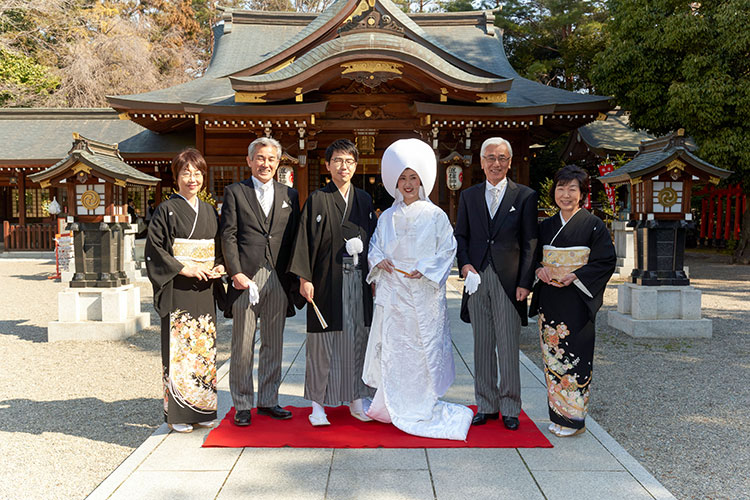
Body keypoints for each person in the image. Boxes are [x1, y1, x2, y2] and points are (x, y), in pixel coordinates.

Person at [362, 138, 473, 440]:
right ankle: (390, 403)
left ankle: (422, 404)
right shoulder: (387, 216)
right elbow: (374, 247)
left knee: (423, 351)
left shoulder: (435, 215)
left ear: (421, 180)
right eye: (403, 178)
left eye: (413, 177)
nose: (408, 184)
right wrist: (379, 260)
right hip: (395, 294)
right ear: (395, 182)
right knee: (396, 351)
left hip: (423, 294)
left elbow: (448, 249)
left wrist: (424, 269)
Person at [289, 139, 377, 426]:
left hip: (358, 280)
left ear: (356, 165)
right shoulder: (318, 198)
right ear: (327, 165)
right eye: (338, 160)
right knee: (322, 343)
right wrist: (305, 277)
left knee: (357, 340)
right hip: (327, 281)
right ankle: (318, 404)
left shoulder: (364, 199)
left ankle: (356, 399)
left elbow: (374, 240)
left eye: (350, 161)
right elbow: (305, 240)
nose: (344, 166)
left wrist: (375, 276)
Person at [454, 137, 538, 431]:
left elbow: (530, 242)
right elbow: (461, 236)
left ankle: (511, 405)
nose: (496, 163)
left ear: (510, 162)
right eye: (490, 157)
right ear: (481, 162)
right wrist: (464, 264)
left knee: (507, 344)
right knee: (482, 344)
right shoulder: (469, 196)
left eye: (502, 158)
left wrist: (526, 282)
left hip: (509, 280)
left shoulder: (524, 196)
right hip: (477, 277)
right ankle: (486, 404)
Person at [529, 165, 616, 437]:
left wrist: (576, 275)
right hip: (551, 302)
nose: (565, 194)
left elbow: (605, 261)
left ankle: (574, 419)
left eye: (572, 189)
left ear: (582, 194)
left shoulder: (593, 225)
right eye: (560, 188)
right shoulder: (546, 226)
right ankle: (559, 414)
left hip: (577, 302)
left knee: (576, 360)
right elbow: (532, 257)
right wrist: (538, 270)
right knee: (553, 361)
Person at [220, 137, 300, 426]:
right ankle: (242, 403)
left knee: (274, 343)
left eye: (271, 159)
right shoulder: (235, 192)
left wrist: (296, 277)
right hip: (246, 277)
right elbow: (227, 235)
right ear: (250, 161)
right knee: (242, 343)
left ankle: (268, 400)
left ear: (278, 163)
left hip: (278, 276)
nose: (265, 164)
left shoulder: (290, 195)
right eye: (260, 158)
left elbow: (293, 239)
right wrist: (235, 272)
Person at [145, 148, 225, 433]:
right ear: (176, 177)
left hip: (204, 289)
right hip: (179, 286)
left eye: (198, 173)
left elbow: (218, 248)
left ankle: (202, 407)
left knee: (203, 349)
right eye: (186, 173)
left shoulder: (209, 211)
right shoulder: (165, 210)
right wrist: (184, 268)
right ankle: (178, 415)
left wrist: (218, 267)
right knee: (180, 349)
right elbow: (155, 250)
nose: (192, 179)